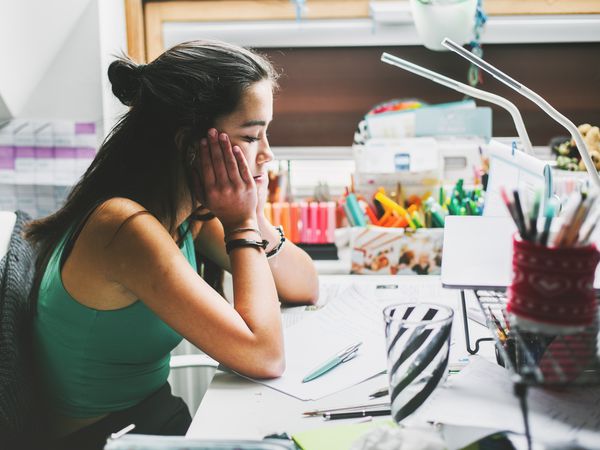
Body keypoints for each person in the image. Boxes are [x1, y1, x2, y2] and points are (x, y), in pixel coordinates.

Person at [27, 40, 319, 450]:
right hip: (104, 440)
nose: (267, 154)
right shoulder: (125, 227)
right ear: (189, 145)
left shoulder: (183, 215)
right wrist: (239, 223)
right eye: (252, 136)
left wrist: (253, 217)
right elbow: (265, 356)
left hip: (150, 419)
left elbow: (305, 285)